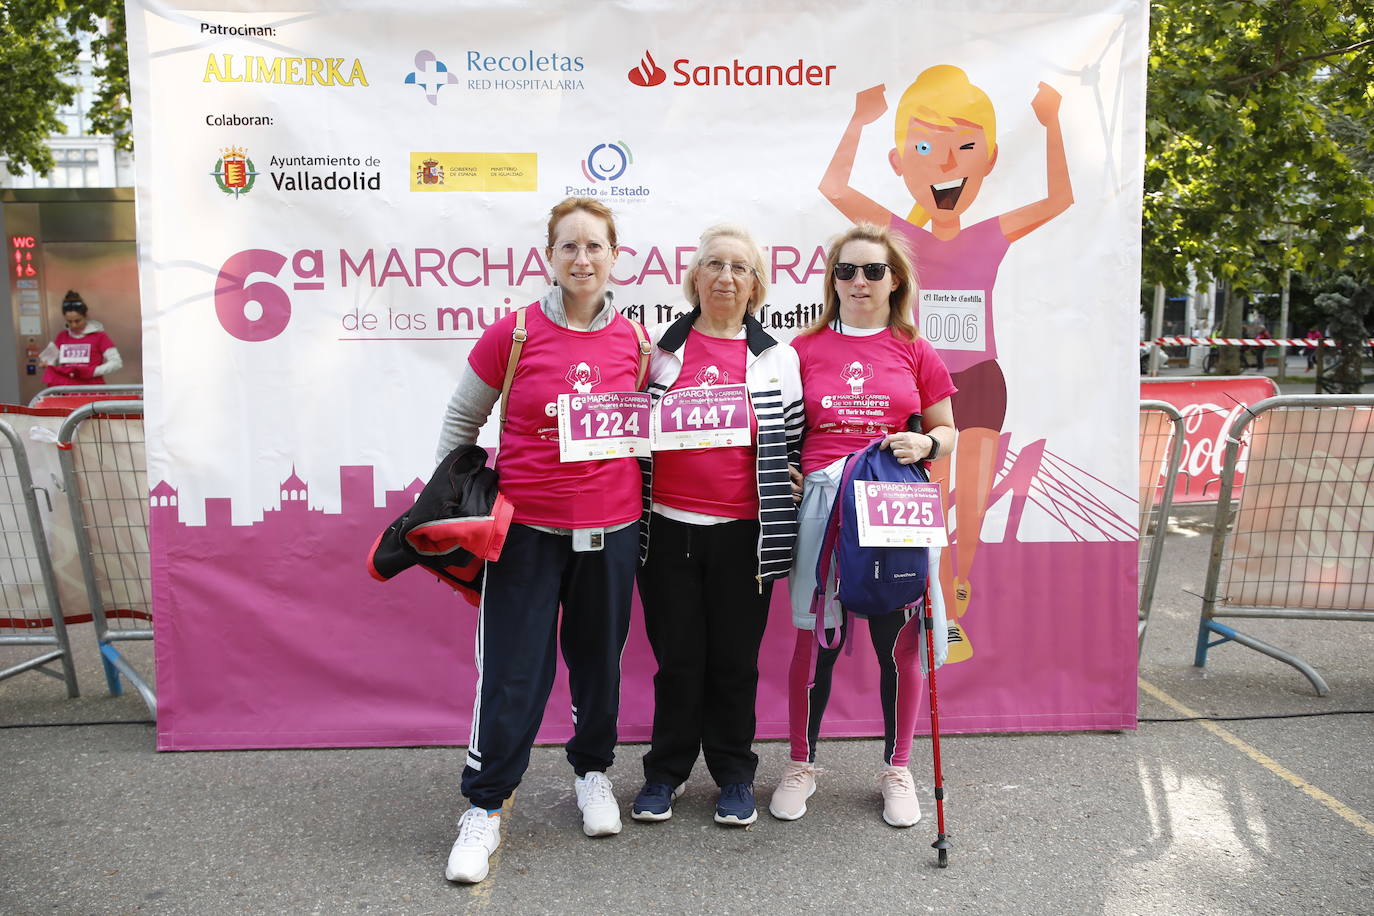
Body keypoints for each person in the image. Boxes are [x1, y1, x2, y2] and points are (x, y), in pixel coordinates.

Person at [819, 65, 1072, 662]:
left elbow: (1061, 199)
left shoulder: (991, 232)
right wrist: (857, 120)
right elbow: (833, 188)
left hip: (980, 381)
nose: (945, 165)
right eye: (926, 148)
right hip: (916, 388)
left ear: (988, 160)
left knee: (973, 508)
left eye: (963, 149)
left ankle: (951, 610)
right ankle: (921, 603)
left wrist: (1054, 122)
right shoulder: (897, 237)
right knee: (925, 506)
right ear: (900, 161)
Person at [435, 197, 647, 884]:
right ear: (548, 256)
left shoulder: (638, 343)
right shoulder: (515, 333)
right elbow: (461, 423)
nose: (581, 259)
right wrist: (452, 501)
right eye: (568, 247)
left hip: (611, 530)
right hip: (525, 532)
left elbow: (652, 433)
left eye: (594, 246)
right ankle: (486, 806)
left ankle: (592, 772)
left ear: (615, 255)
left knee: (599, 665)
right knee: (512, 674)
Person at [770, 223, 957, 828]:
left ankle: (898, 767)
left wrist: (924, 441)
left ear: (894, 279)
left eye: (872, 270)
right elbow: (780, 429)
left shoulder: (913, 346)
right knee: (814, 640)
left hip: (891, 502)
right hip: (824, 504)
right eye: (846, 271)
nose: (858, 281)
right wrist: (790, 473)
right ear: (832, 280)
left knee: (896, 640)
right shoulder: (802, 348)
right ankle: (801, 763)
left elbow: (949, 431)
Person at [630, 225, 804, 827]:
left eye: (739, 267)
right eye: (714, 265)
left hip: (743, 537)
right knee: (678, 660)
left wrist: (796, 476)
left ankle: (733, 774)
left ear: (756, 284)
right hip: (667, 528)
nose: (726, 277)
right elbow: (628, 429)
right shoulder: (656, 351)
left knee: (734, 661)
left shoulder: (779, 359)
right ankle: (665, 773)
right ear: (694, 278)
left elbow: (797, 442)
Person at [39, 291, 122, 387]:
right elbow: (46, 360)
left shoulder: (99, 336)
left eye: (77, 321)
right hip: (66, 389)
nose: (73, 325)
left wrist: (93, 371)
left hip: (92, 389)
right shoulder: (62, 336)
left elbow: (116, 362)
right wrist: (46, 364)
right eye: (69, 321)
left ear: (85, 316)